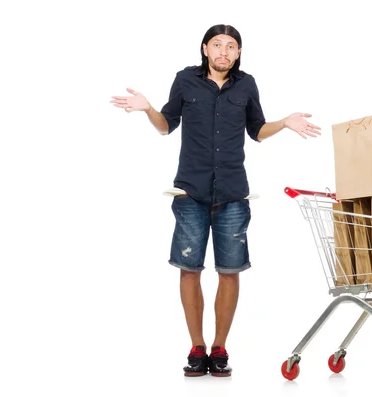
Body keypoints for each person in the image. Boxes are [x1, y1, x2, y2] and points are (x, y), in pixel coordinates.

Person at [110, 24, 321, 377]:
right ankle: (197, 346)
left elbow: (257, 131)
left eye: (232, 46)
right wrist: (148, 109)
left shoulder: (246, 84)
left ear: (238, 53)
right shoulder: (185, 80)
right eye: (218, 45)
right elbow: (166, 126)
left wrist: (284, 122)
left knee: (230, 271)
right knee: (189, 269)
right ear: (206, 49)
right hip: (190, 193)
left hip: (233, 194)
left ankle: (220, 347)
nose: (225, 52)